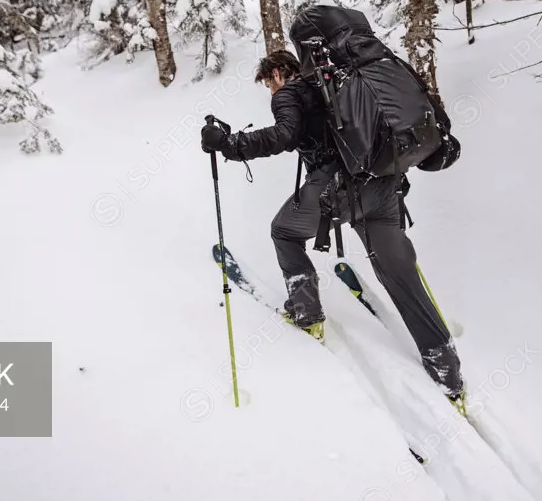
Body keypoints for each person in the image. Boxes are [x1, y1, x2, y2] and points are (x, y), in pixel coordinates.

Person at [199, 47, 465, 403]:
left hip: (337, 192)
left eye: (268, 84)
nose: (271, 91)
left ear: (278, 73)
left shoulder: (291, 92)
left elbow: (284, 135)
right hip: (383, 186)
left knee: (284, 231)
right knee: (401, 276)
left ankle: (307, 314)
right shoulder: (342, 85)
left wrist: (232, 145)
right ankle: (448, 373)